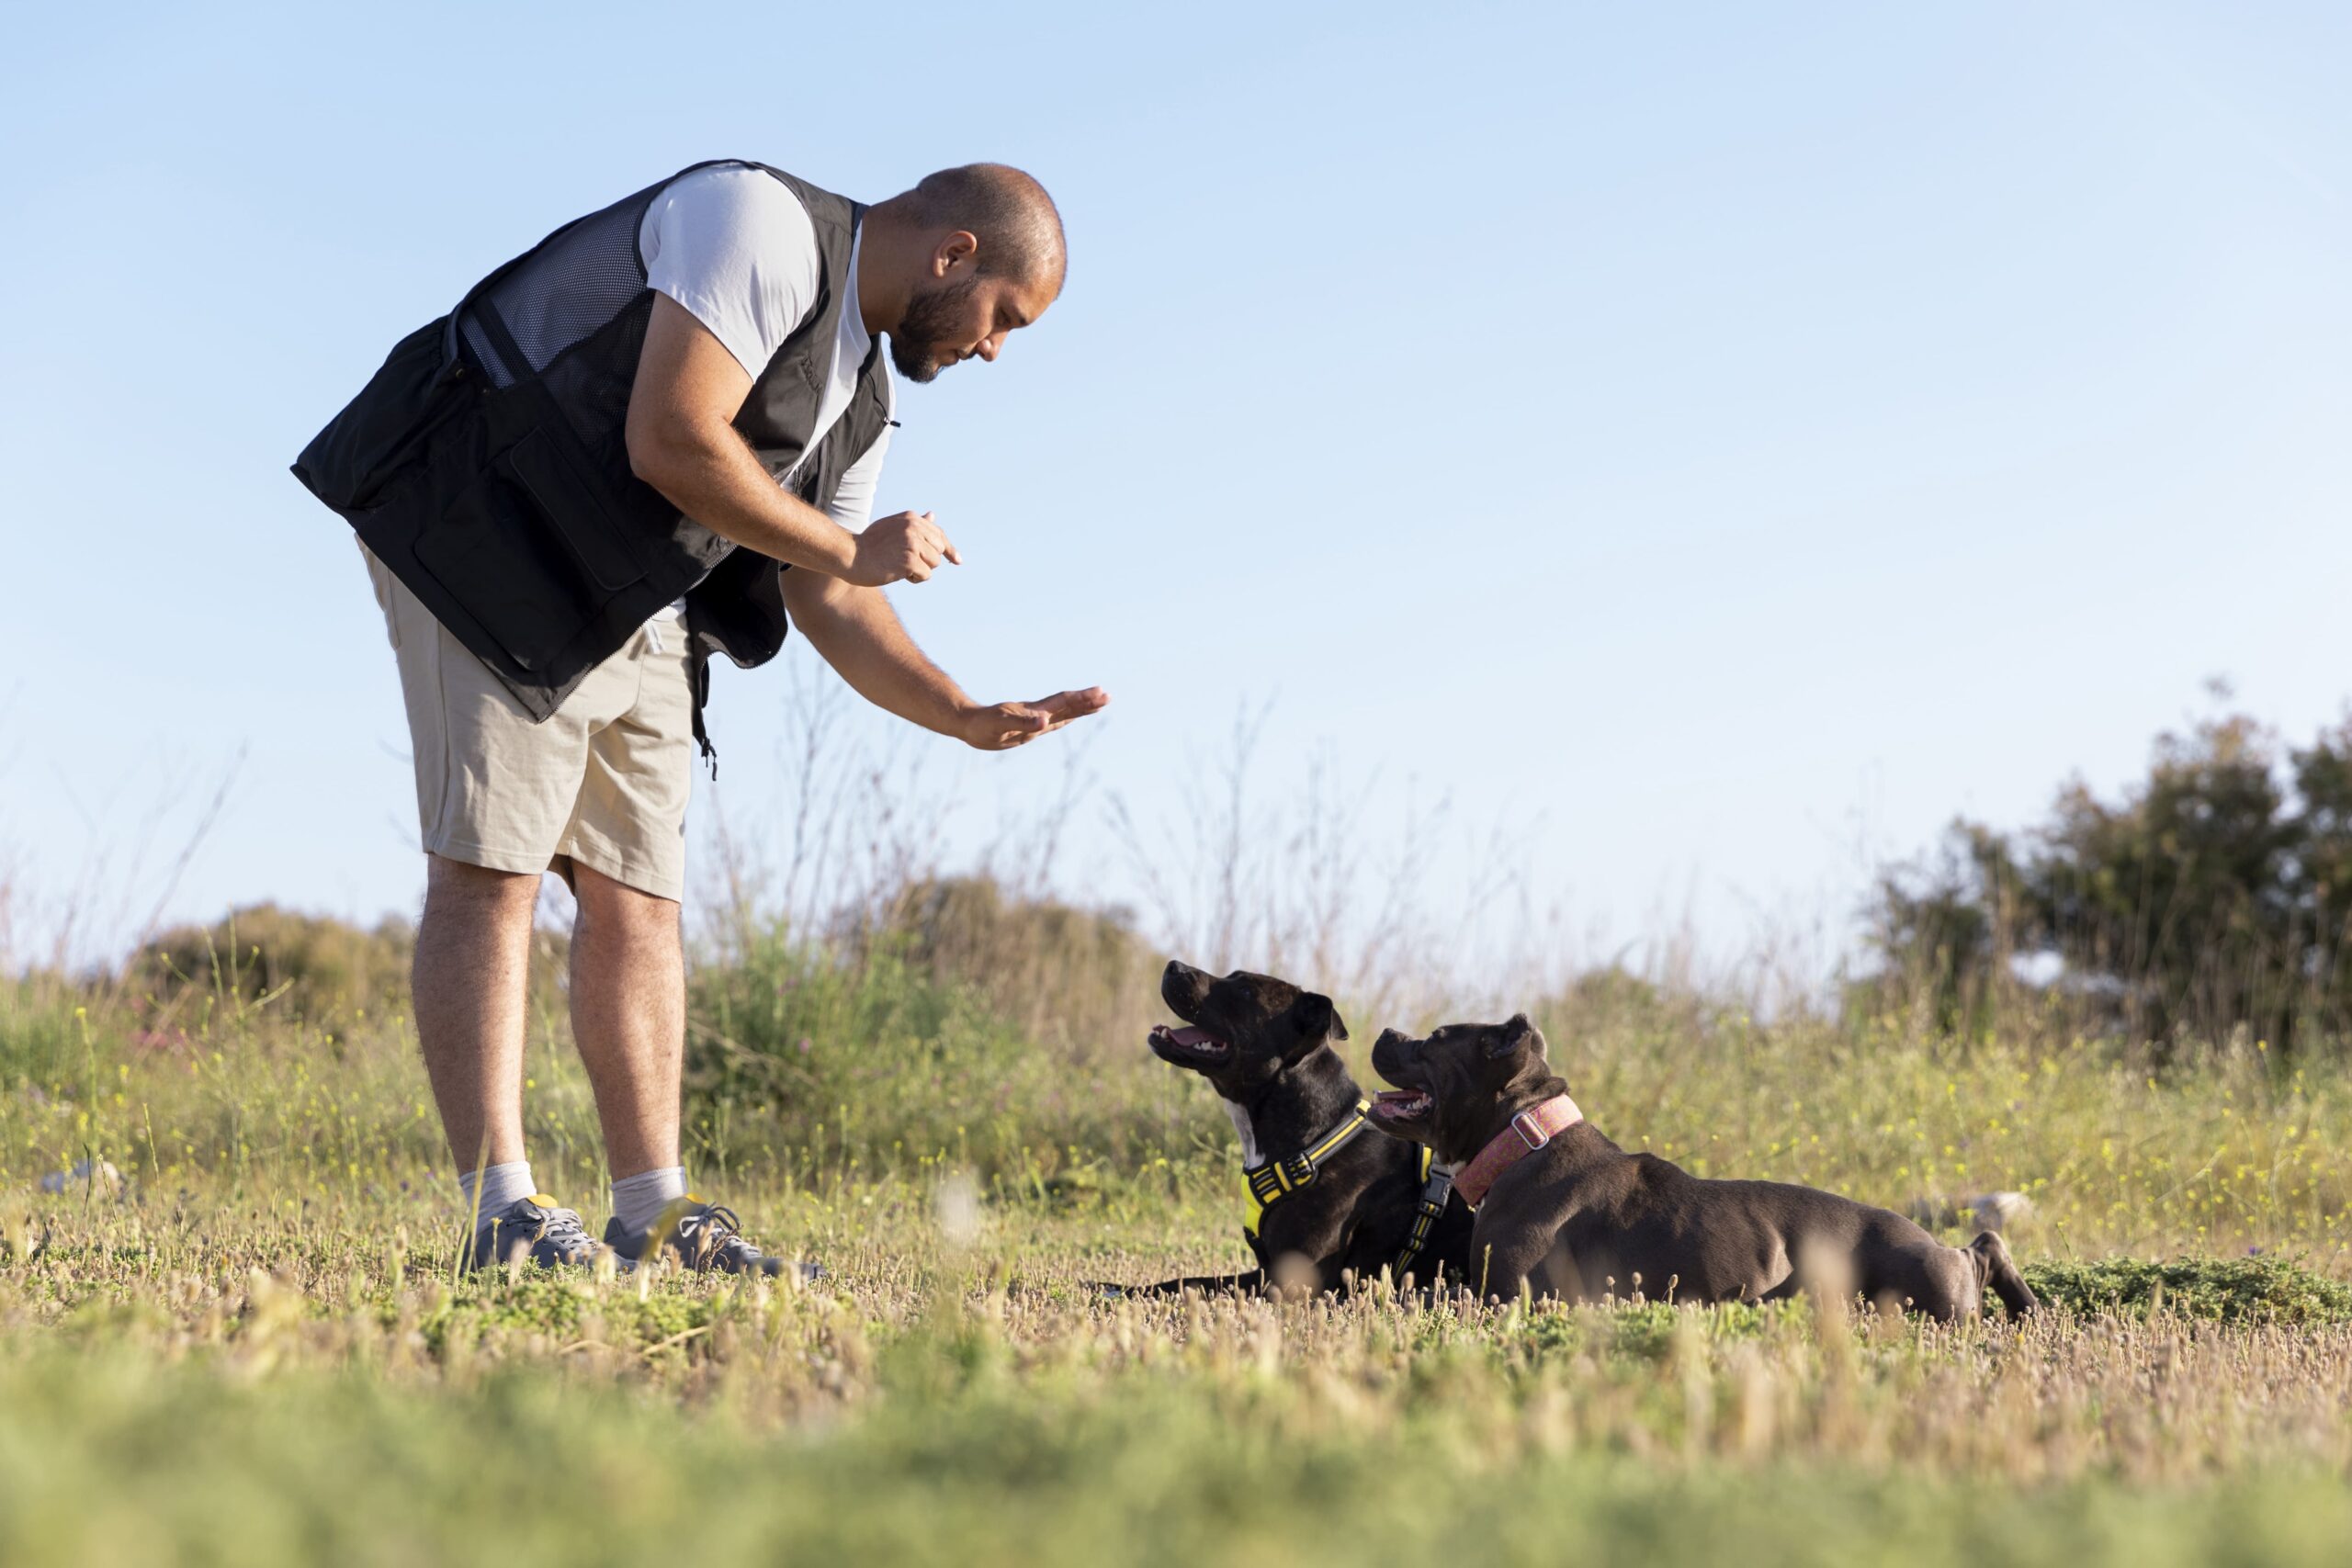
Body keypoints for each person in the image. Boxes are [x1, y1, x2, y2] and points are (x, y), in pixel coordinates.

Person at [294, 159, 1106, 1276]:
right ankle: (504, 1215)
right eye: (1002, 317)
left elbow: (829, 590)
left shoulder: (864, 399)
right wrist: (840, 546)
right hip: (486, 531)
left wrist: (958, 713)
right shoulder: (759, 225)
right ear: (954, 254)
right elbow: (673, 436)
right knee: (496, 870)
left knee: (640, 898)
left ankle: (656, 1220)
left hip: (634, 589)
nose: (994, 348)